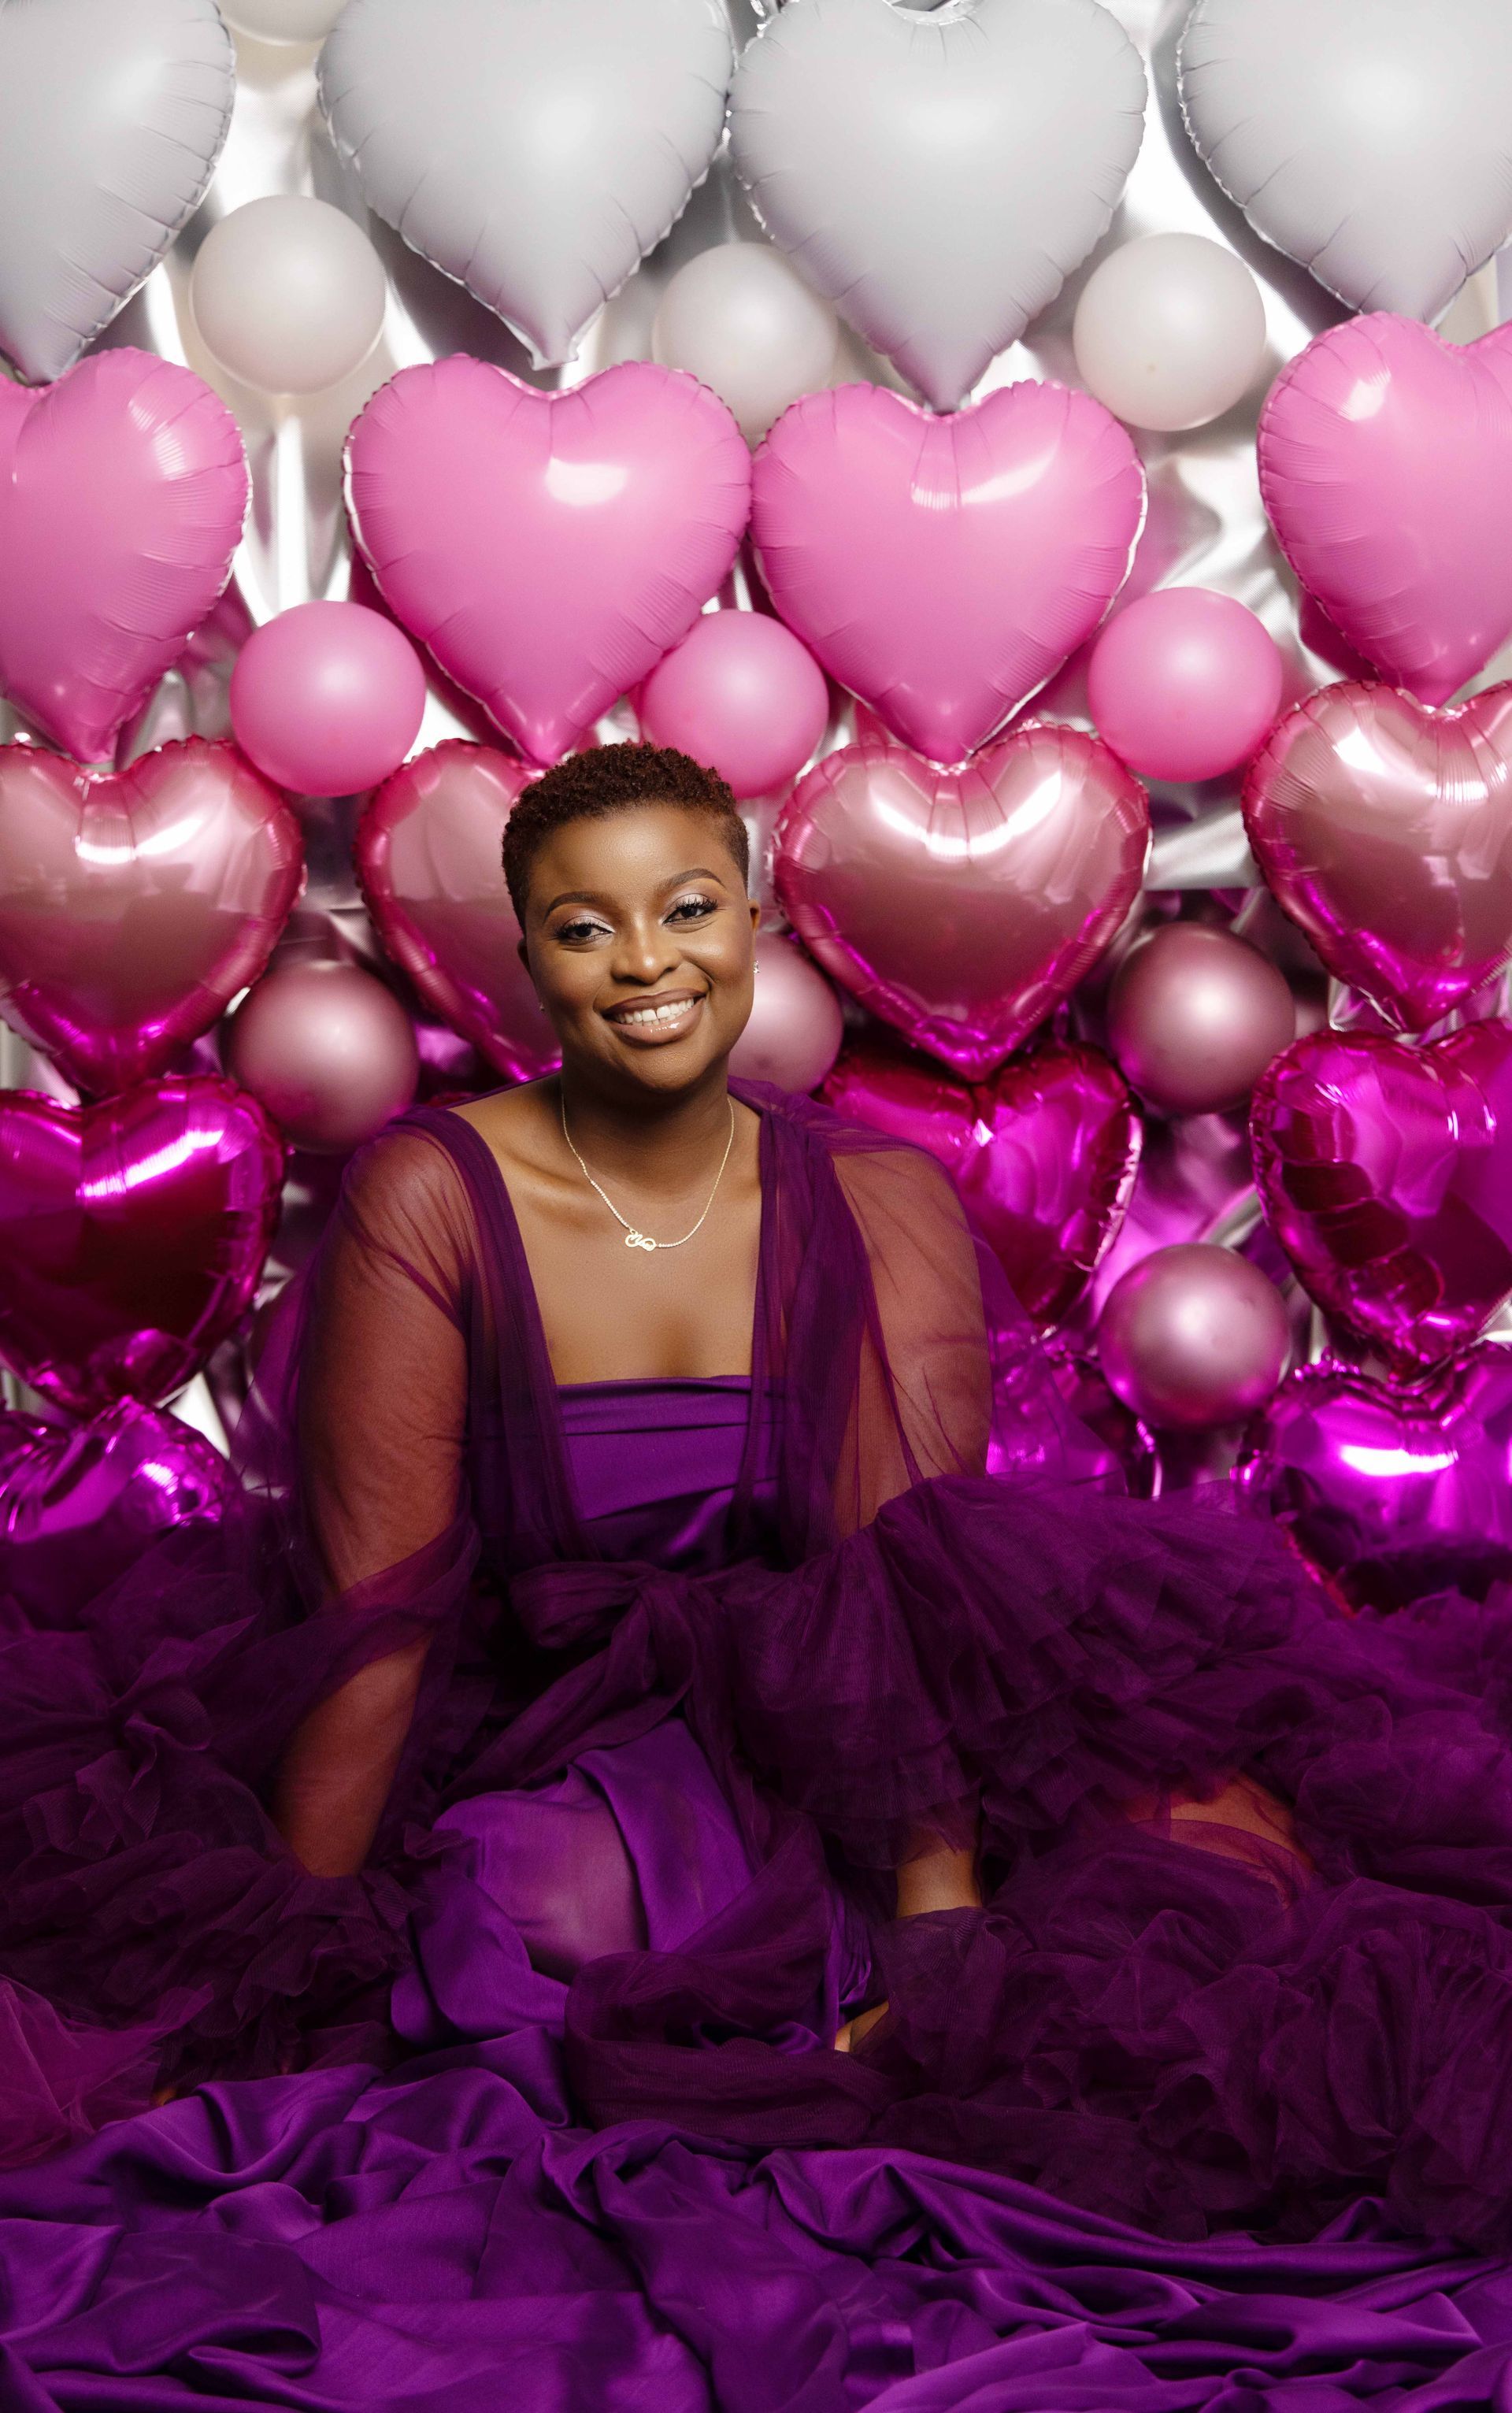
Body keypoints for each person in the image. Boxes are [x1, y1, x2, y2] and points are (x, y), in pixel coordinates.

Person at [7, 743, 1512, 2410]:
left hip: (838, 1720)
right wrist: (282, 1953)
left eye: (688, 909)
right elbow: (383, 1613)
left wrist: (946, 1938)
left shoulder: (872, 1195)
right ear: (528, 953)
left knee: (1217, 1891)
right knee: (533, 1914)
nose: (645, 961)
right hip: (547, 1705)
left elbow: (910, 1584)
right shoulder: (434, 1191)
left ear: (754, 927)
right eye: (587, 927)